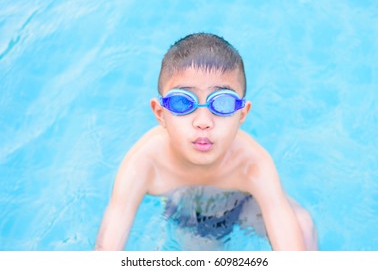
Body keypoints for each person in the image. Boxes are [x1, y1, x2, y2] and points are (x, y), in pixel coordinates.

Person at [95, 33, 318, 251]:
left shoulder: (252, 162)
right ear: (160, 113)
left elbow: (279, 217)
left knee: (302, 225)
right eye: (182, 102)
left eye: (222, 103)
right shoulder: (144, 162)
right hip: (188, 215)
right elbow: (108, 246)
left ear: (242, 114)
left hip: (243, 204)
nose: (203, 122)